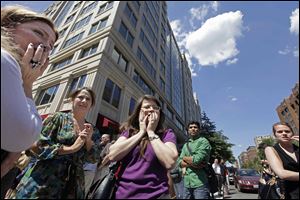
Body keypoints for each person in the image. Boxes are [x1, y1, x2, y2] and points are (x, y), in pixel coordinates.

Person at [1, 5, 58, 198]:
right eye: (39, 33)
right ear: (8, 26)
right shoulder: (6, 59)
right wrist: (28, 84)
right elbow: (23, 134)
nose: (45, 46)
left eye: (51, 45)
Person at [8, 87, 102, 199]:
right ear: (72, 100)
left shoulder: (93, 130)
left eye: (88, 99)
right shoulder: (57, 118)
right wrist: (71, 148)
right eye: (80, 97)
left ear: (91, 105)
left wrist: (89, 140)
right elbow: (36, 145)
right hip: (44, 180)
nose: (84, 101)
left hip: (72, 185)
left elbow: (94, 159)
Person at [108, 95, 178, 199]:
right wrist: (141, 132)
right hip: (123, 194)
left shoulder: (167, 134)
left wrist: (150, 132)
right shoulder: (129, 132)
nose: (151, 110)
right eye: (147, 107)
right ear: (139, 112)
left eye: (155, 108)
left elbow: (170, 162)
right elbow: (113, 155)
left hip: (157, 195)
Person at [264, 122, 299, 199]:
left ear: (292, 133)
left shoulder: (297, 148)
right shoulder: (271, 150)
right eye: (280, 132)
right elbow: (282, 174)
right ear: (275, 135)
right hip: (290, 194)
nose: (284, 133)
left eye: (287, 131)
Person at [178, 121, 212, 199]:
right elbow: (179, 162)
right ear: (188, 130)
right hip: (186, 183)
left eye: (195, 127)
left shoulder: (203, 141)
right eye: (190, 127)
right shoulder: (186, 145)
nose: (193, 129)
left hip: (200, 183)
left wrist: (184, 158)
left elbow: (196, 160)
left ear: (199, 130)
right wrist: (184, 159)